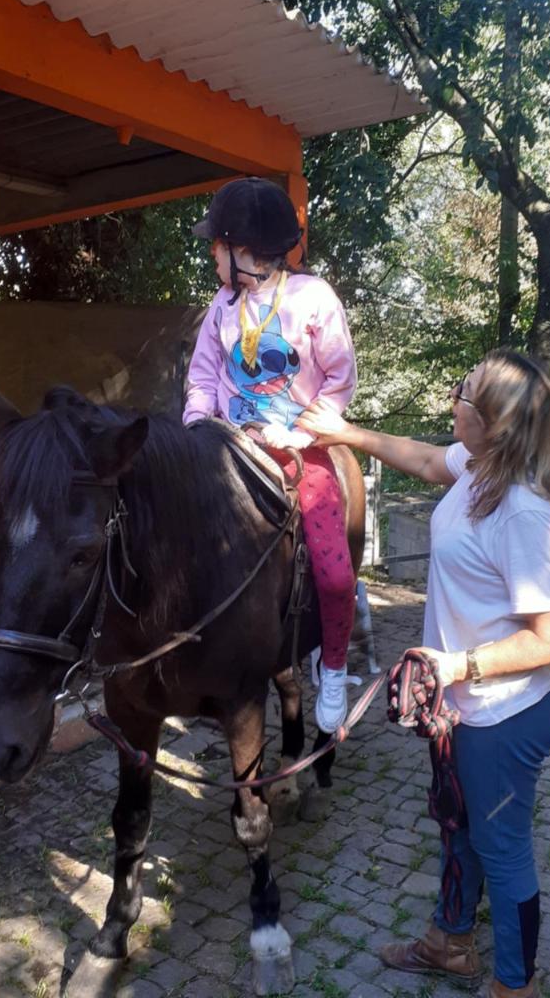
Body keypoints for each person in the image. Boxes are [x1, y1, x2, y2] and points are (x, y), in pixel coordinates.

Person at [296, 350, 550, 998]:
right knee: (457, 823)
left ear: (494, 422)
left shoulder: (524, 509)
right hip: (460, 706)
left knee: (501, 846)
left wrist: (459, 663)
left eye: (465, 392)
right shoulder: (476, 469)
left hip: (503, 714)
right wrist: (342, 432)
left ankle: (516, 985)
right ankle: (450, 942)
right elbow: (425, 460)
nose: (453, 397)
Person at [182, 177, 359, 733]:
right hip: (226, 448)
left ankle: (332, 667)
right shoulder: (221, 306)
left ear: (247, 253)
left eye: (219, 246)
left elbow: (340, 379)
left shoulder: (315, 299)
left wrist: (304, 435)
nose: (213, 254)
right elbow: (204, 375)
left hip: (297, 451)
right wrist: (196, 426)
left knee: (333, 575)